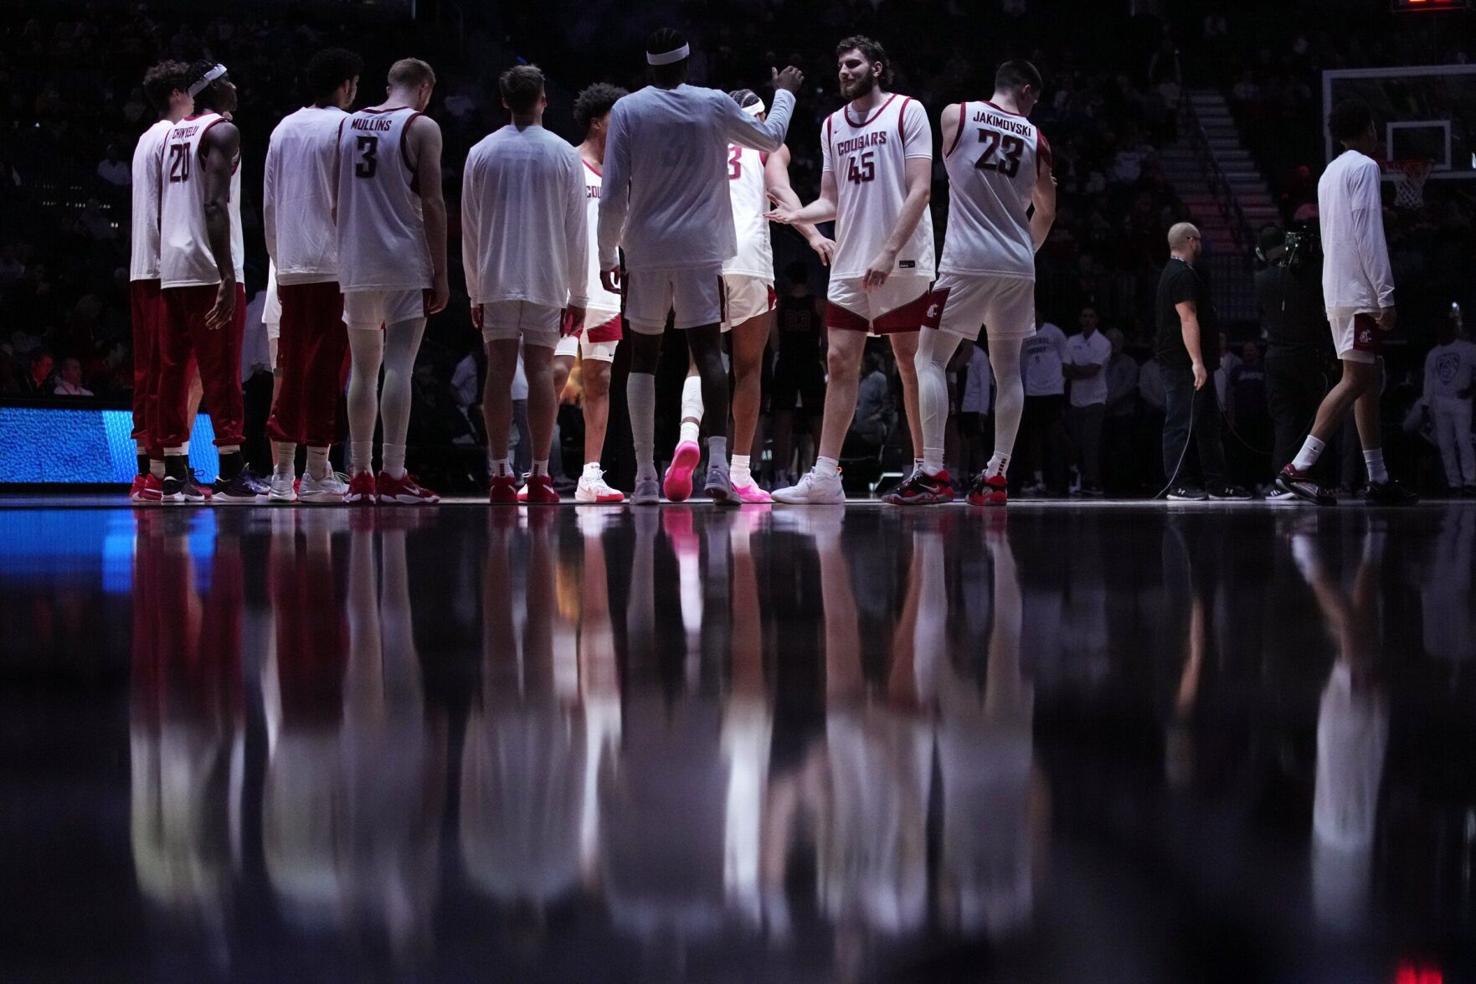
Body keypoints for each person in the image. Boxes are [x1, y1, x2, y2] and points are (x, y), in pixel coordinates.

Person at [597, 28, 803, 504]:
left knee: (645, 360)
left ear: (650, 67)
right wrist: (785, 95)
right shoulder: (711, 103)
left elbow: (611, 195)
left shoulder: (628, 109)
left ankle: (646, 475)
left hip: (645, 248)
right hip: (701, 248)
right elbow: (770, 136)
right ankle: (717, 468)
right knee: (709, 353)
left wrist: (609, 253)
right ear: (687, 65)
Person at [769, 36, 934, 504]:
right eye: (840, 65)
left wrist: (887, 252)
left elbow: (920, 189)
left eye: (853, 64)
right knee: (839, 362)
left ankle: (925, 469)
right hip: (849, 260)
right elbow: (831, 200)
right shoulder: (831, 125)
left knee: (909, 363)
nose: (843, 71)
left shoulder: (908, 111)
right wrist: (797, 216)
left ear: (877, 68)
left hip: (900, 257)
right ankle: (825, 477)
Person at [885, 60, 1054, 507]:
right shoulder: (1037, 139)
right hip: (1018, 264)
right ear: (1025, 89)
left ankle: (933, 472)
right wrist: (1021, 255)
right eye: (1035, 98)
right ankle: (996, 475)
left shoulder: (956, 115)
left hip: (966, 259)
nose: (1035, 107)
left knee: (930, 358)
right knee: (1008, 370)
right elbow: (1047, 212)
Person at [665, 88, 835, 504]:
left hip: (703, 257)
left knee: (698, 361)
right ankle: (740, 471)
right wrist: (812, 234)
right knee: (749, 369)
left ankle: (689, 436)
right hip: (750, 262)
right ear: (759, 116)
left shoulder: (703, 142)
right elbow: (781, 193)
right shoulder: (768, 144)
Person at [1275, 99, 1416, 506]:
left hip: (1336, 290)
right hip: (1359, 293)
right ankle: (1297, 468)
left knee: (1366, 383)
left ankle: (1378, 477)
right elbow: (1368, 233)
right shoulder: (1364, 168)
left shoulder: (1328, 173)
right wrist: (1384, 295)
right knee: (1355, 380)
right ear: (1369, 129)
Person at [462, 65, 588, 505]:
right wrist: (580, 293)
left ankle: (499, 474)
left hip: (495, 276)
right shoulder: (563, 154)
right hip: (546, 276)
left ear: (503, 101)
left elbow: (470, 231)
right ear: (543, 100)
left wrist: (475, 289)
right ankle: (538, 476)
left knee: (498, 372)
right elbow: (577, 230)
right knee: (539, 373)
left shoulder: (480, 152)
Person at [336, 57, 448, 505]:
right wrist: (441, 273)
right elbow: (435, 203)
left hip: (357, 261)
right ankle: (393, 472)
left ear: (389, 84)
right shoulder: (421, 127)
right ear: (424, 89)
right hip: (403, 258)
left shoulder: (346, 125)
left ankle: (359, 473)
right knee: (398, 365)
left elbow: (334, 196)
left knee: (363, 370)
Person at [156, 61, 264, 503]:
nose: (236, 85)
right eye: (228, 78)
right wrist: (224, 272)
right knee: (221, 373)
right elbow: (215, 205)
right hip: (207, 266)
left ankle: (171, 472)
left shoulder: (172, 133)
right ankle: (231, 471)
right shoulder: (221, 131)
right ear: (214, 88)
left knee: (174, 372)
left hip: (173, 265)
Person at [262, 47, 362, 504]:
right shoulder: (346, 126)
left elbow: (268, 202)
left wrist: (279, 261)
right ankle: (318, 472)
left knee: (292, 369)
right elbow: (351, 201)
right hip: (332, 264)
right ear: (345, 85)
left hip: (291, 265)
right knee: (325, 371)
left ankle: (282, 474)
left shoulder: (283, 127)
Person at [543, 82, 628, 504]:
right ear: (598, 122)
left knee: (601, 379)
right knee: (556, 374)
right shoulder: (567, 164)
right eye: (618, 118)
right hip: (567, 287)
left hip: (606, 287)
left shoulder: (621, 173)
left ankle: (590, 475)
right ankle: (538, 471)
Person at [127, 60, 193, 504]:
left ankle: (145, 473)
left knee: (148, 372)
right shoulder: (169, 137)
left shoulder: (143, 139)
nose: (194, 101)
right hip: (162, 268)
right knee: (166, 373)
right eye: (189, 92)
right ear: (174, 93)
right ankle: (160, 473)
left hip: (142, 267)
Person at [1154, 222, 1250, 500]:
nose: (1202, 245)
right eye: (1199, 240)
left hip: (1196, 366)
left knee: (1208, 425)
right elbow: (1188, 319)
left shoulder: (1182, 273)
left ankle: (1217, 484)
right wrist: (1196, 361)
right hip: (1183, 366)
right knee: (1180, 423)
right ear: (1190, 240)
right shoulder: (1180, 275)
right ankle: (1178, 483)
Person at [1254, 223, 1334, 496]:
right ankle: (1311, 474)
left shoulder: (1261, 279)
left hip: (1277, 356)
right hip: (1308, 355)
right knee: (1316, 417)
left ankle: (1282, 480)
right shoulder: (1310, 273)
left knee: (1285, 420)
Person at [769, 263, 827, 486]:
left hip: (786, 363)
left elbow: (774, 339)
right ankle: (822, 473)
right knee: (818, 421)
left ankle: (780, 475)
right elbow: (825, 340)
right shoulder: (819, 304)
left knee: (782, 421)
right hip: (810, 362)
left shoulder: (780, 304)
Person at [1422, 305, 1476, 493]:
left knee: (1463, 441)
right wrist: (1425, 405)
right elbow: (1429, 381)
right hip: (1440, 403)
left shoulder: (1468, 349)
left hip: (1461, 402)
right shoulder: (1433, 354)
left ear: (1451, 328)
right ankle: (1454, 483)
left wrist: (1472, 389)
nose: (1441, 331)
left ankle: (1470, 481)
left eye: (1444, 327)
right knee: (1445, 444)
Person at [1064, 305, 1111, 496]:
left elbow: (1094, 370)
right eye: (1084, 316)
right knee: (1075, 443)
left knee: (1090, 442)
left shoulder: (1103, 342)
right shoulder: (1071, 340)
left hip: (1096, 400)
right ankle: (1077, 479)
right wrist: (1081, 371)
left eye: (1091, 316)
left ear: (1096, 319)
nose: (1087, 319)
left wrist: (1077, 370)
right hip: (1076, 401)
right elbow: (1065, 370)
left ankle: (1093, 482)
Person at [1019, 317, 1068, 494]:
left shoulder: (1054, 332)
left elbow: (1066, 360)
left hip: (1053, 392)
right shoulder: (1025, 335)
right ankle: (1038, 480)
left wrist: (1059, 384)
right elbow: (1022, 364)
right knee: (1034, 438)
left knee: (1055, 437)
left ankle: (1059, 481)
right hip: (1033, 393)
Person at [1103, 328, 1139, 494]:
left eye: (1117, 341)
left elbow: (1129, 386)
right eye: (1110, 341)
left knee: (1123, 451)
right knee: (1106, 450)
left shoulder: (1129, 363)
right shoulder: (1101, 361)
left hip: (1123, 414)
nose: (1113, 344)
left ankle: (1124, 485)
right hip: (1104, 414)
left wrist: (1110, 401)